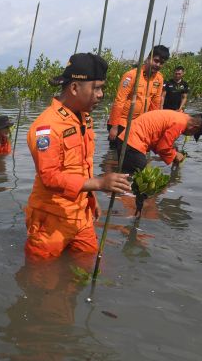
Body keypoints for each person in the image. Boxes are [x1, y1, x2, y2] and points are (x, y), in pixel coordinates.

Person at [24, 53, 131, 261]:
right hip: (51, 220)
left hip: (82, 214)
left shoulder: (84, 117)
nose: (101, 94)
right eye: (96, 88)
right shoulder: (47, 127)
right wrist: (100, 183)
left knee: (89, 263)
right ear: (74, 88)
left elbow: (83, 165)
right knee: (41, 279)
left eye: (102, 88)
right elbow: (50, 177)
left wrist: (93, 198)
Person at [113, 109, 202, 174]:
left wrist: (173, 151)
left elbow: (159, 141)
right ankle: (129, 204)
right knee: (144, 180)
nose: (189, 135)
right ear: (194, 128)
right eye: (193, 134)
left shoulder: (181, 117)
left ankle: (122, 203)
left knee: (126, 176)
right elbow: (163, 147)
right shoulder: (180, 123)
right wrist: (175, 155)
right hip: (133, 142)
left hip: (127, 139)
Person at [107, 45, 169, 146]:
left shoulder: (159, 78)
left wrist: (154, 126)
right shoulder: (131, 75)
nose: (158, 65)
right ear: (148, 58)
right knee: (114, 155)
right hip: (122, 122)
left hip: (139, 123)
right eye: (156, 61)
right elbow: (119, 101)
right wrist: (114, 127)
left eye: (161, 63)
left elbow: (155, 103)